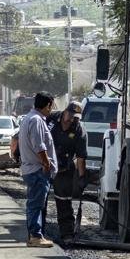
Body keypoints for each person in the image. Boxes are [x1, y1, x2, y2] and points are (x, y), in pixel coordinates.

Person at [19, 91, 57, 247]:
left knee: (35, 204)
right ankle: (35, 236)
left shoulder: (30, 118)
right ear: (48, 105)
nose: (52, 110)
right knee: (36, 204)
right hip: (37, 170)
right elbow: (39, 146)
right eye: (51, 106)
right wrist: (47, 164)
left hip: (33, 169)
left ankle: (34, 235)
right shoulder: (36, 120)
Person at [48, 101, 87, 245]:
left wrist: (82, 177)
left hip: (64, 168)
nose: (72, 119)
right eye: (70, 115)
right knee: (40, 200)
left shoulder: (79, 130)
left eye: (75, 117)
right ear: (65, 111)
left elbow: (81, 157)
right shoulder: (51, 119)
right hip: (44, 165)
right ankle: (37, 232)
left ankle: (67, 234)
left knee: (64, 200)